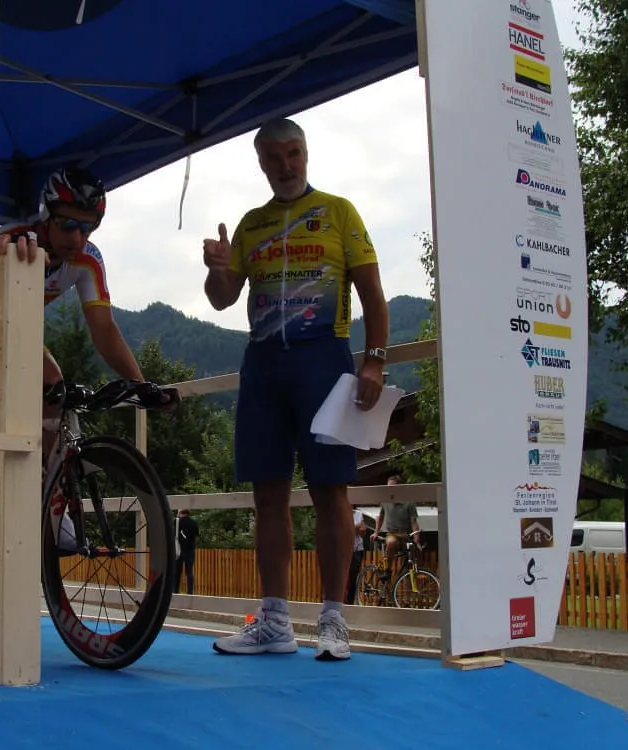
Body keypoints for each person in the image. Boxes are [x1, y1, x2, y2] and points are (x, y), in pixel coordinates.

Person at [203, 117, 389, 660]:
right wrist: (217, 268)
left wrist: (374, 361)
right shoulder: (251, 224)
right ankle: (275, 621)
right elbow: (221, 298)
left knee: (331, 490)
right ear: (261, 164)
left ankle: (334, 620)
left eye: (293, 154)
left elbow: (373, 293)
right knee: (268, 494)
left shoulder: (338, 212)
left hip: (323, 359)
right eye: (274, 158)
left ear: (305, 155)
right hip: (263, 363)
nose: (285, 166)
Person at [0, 166, 173, 462]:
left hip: (19, 333)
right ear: (46, 215)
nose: (77, 238)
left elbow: (104, 330)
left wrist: (141, 387)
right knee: (44, 382)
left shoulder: (88, 260)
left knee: (54, 385)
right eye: (68, 224)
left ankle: (44, 477)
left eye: (87, 228)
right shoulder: (11, 240)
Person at [370, 475, 421, 574]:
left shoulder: (409, 502)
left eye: (392, 487)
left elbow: (414, 522)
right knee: (391, 543)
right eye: (388, 487)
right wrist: (376, 532)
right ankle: (387, 571)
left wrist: (416, 538)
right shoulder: (385, 501)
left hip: (406, 534)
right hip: (392, 534)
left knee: (416, 550)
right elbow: (380, 517)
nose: (389, 490)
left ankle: (414, 574)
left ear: (399, 488)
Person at [345, 507, 367, 604]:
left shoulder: (358, 513)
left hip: (357, 549)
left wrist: (350, 528)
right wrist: (355, 527)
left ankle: (350, 603)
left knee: (353, 577)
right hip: (343, 550)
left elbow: (363, 531)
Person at [174, 509, 199, 594]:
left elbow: (171, 535)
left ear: (181, 513)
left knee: (177, 572)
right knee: (189, 572)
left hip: (178, 550)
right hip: (190, 550)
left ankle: (175, 591)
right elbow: (196, 537)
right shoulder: (193, 522)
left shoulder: (176, 522)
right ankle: (190, 592)